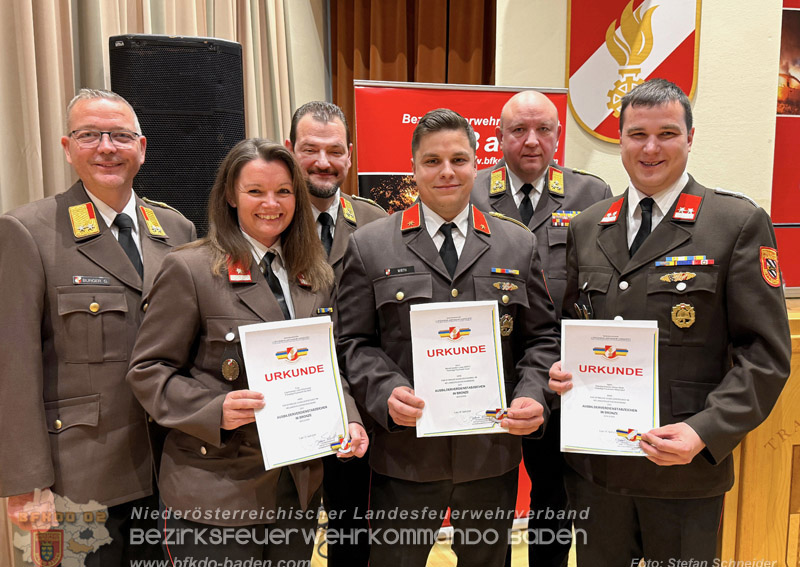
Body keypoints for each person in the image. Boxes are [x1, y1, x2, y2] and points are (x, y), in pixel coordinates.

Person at [549, 78, 791, 565]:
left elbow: (765, 356)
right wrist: (559, 371)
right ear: (620, 140)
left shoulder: (734, 223)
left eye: (667, 133)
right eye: (637, 134)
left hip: (685, 469)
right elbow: (570, 326)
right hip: (598, 470)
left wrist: (706, 430)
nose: (651, 147)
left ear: (690, 137)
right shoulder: (588, 225)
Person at [126, 139, 368, 563]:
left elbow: (330, 365)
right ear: (229, 196)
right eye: (255, 191)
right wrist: (212, 408)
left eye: (284, 191)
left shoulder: (313, 274)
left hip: (296, 494)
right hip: (218, 493)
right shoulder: (192, 269)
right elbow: (149, 371)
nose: (271, 203)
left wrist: (348, 418)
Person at [337, 108, 561, 567]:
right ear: (413, 168)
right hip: (405, 455)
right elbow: (353, 342)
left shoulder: (515, 244)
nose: (446, 172)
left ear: (477, 163)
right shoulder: (371, 244)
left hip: (490, 455)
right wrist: (384, 390)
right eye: (432, 161)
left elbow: (541, 339)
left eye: (458, 159)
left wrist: (534, 393)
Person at [0, 88, 196, 564]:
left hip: (170, 469)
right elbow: (14, 365)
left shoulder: (177, 232)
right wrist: (27, 481)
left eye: (120, 136)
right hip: (79, 482)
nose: (107, 147)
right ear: (68, 148)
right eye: (90, 135)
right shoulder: (29, 231)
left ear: (142, 148)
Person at [473, 90, 612, 567]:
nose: (532, 141)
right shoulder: (470, 193)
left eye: (544, 130)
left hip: (559, 377)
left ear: (559, 135)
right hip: (483, 375)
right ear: (498, 137)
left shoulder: (590, 195)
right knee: (484, 495)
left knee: (554, 495)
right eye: (518, 130)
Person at [286, 100, 387, 566]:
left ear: (350, 154)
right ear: (289, 150)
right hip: (291, 405)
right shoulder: (268, 218)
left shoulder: (376, 223)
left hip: (360, 410)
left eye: (334, 150)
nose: (323, 162)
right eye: (309, 149)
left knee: (354, 532)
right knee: (289, 534)